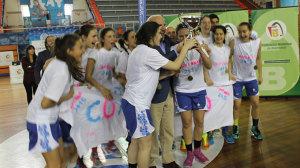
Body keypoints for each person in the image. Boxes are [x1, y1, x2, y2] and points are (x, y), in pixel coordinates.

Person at [121, 21, 196, 168]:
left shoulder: (138, 50)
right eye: (159, 33)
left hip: (130, 102)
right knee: (145, 144)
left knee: (136, 141)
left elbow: (145, 75)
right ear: (151, 35)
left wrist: (167, 74)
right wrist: (185, 48)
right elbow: (175, 64)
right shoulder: (149, 52)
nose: (161, 36)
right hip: (138, 105)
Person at [26, 34, 84, 168]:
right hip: (40, 120)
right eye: (80, 47)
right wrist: (67, 96)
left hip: (50, 120)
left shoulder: (61, 64)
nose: (83, 50)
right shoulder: (61, 70)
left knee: (61, 161)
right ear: (69, 51)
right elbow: (45, 103)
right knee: (55, 165)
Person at [172, 23, 212, 166]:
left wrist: (201, 50)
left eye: (186, 36)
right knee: (187, 123)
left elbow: (209, 65)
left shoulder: (200, 46)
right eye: (181, 36)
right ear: (177, 37)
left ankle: (198, 150)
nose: (184, 39)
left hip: (199, 89)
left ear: (192, 35)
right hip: (183, 90)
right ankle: (189, 153)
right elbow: (173, 71)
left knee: (200, 122)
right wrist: (180, 53)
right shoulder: (174, 49)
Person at [147, 15, 181, 168]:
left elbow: (178, 44)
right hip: (154, 95)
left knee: (168, 129)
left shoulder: (167, 41)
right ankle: (152, 162)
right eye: (160, 25)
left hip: (168, 91)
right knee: (153, 132)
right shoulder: (147, 45)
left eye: (164, 24)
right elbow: (162, 63)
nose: (164, 27)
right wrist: (178, 52)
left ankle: (168, 160)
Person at [84, 27, 121, 167]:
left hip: (109, 90)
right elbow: (88, 76)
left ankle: (110, 143)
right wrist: (102, 88)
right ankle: (94, 151)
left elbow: (114, 73)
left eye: (114, 36)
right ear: (103, 39)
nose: (113, 39)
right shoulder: (94, 54)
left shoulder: (115, 54)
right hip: (96, 91)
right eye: (110, 36)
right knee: (96, 123)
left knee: (111, 119)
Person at [229, 22, 263, 140]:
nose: (242, 34)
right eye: (240, 31)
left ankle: (255, 127)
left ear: (250, 31)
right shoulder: (234, 41)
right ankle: (235, 127)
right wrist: (229, 73)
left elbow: (258, 59)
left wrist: (260, 75)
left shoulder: (257, 42)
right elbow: (228, 57)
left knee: (256, 103)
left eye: (245, 31)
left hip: (251, 78)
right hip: (237, 78)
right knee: (237, 104)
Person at [207, 25, 235, 143]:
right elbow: (204, 64)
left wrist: (230, 74)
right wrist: (207, 78)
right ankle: (210, 132)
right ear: (213, 35)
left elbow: (229, 62)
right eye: (217, 34)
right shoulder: (209, 48)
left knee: (227, 110)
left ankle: (226, 131)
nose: (219, 36)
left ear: (224, 35)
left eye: (221, 34)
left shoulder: (228, 49)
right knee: (212, 110)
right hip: (213, 84)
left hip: (226, 84)